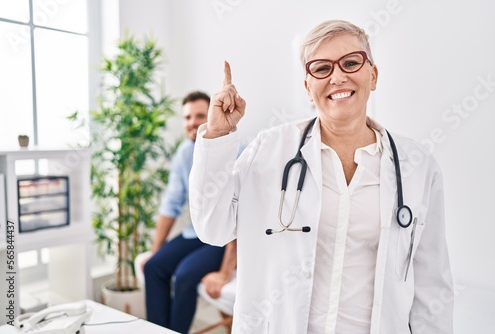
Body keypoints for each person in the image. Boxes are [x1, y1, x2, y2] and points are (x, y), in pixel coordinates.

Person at [189, 20, 454, 333]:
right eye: (321, 68)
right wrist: (219, 134)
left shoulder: (417, 167)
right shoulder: (270, 149)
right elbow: (213, 228)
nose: (338, 77)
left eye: (351, 62)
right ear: (307, 87)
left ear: (373, 75)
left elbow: (431, 285)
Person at [143, 91, 237, 333]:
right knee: (153, 267)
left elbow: (241, 217)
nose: (192, 122)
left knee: (184, 276)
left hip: (222, 238)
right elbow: (171, 204)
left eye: (198, 115)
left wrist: (226, 271)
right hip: (195, 233)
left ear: (212, 114)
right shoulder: (184, 153)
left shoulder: (238, 151)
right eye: (186, 118)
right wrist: (155, 251)